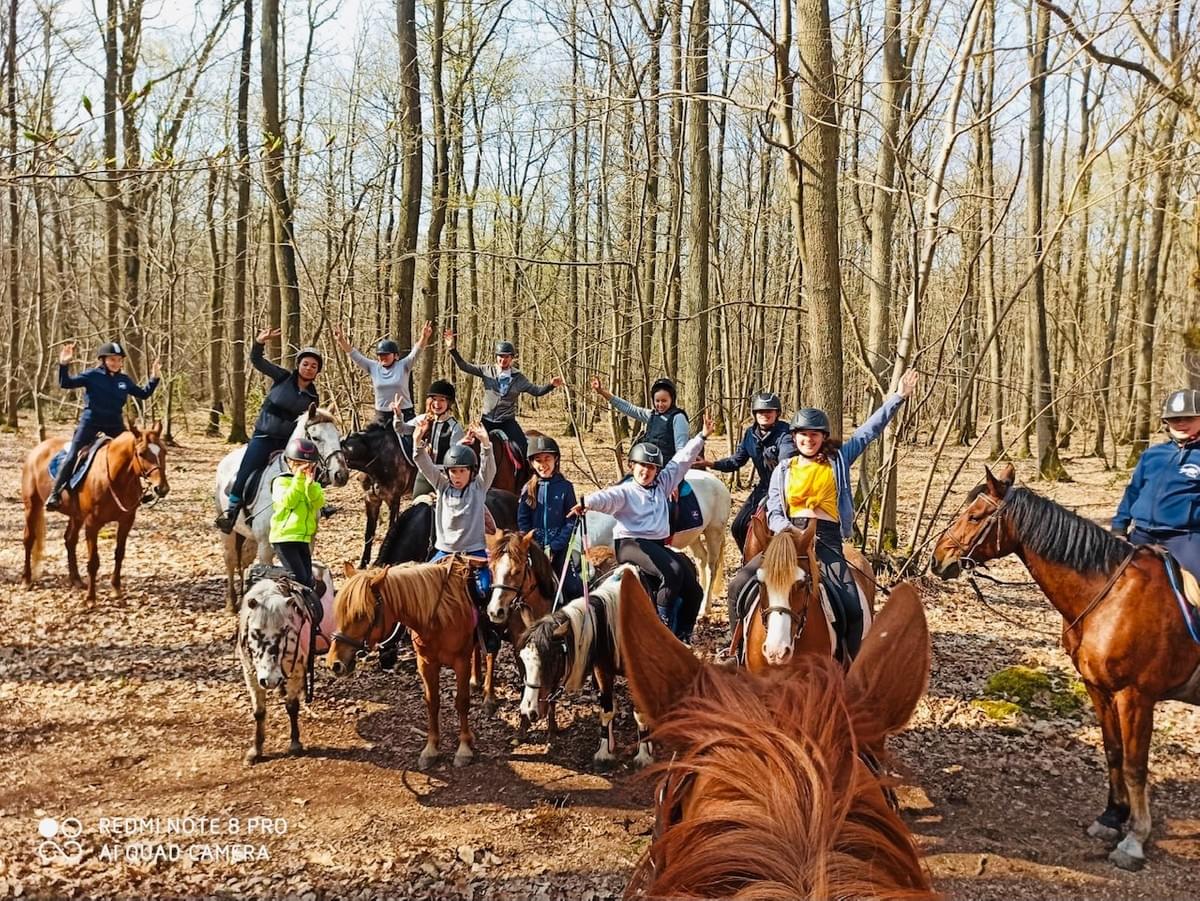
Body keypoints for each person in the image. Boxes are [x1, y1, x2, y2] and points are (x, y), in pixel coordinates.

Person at [726, 369, 920, 661]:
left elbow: (870, 430)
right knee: (739, 583)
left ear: (823, 437)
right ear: (794, 437)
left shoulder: (838, 459)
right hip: (788, 540)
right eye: (802, 434)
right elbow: (776, 510)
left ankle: (853, 664)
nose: (808, 439)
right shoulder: (785, 469)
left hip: (826, 539)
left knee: (853, 605)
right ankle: (736, 652)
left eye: (814, 435)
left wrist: (898, 397)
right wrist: (789, 531)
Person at [572, 415, 715, 643]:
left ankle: (683, 636)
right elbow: (607, 497)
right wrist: (586, 502)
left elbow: (682, 460)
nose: (646, 472)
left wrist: (702, 436)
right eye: (642, 466)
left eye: (651, 467)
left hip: (656, 544)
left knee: (694, 590)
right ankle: (661, 629)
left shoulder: (663, 483)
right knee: (672, 572)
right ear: (632, 466)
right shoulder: (627, 491)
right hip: (631, 543)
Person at [215, 328, 323, 533]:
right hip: (264, 437)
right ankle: (231, 511)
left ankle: (318, 506)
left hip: (289, 444)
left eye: (314, 366)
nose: (309, 368)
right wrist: (259, 342)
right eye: (305, 364)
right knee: (247, 468)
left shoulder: (313, 397)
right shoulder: (282, 377)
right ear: (298, 365)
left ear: (317, 372)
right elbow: (257, 360)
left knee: (309, 469)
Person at [47, 340, 161, 511]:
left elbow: (144, 394)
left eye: (119, 360)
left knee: (134, 452)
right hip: (91, 421)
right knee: (73, 453)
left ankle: (138, 491)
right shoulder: (92, 376)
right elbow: (66, 383)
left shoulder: (124, 380)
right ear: (103, 360)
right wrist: (64, 364)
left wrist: (155, 377)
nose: (116, 363)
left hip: (114, 423)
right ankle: (56, 493)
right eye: (112, 360)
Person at [1112, 388, 1200, 579]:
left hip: (1184, 537)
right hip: (1142, 534)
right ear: (1166, 423)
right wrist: (1119, 528)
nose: (1181, 423)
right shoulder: (1152, 455)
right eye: (1175, 419)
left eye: (1189, 418)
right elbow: (1133, 492)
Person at [444, 330, 563, 461]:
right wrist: (452, 349)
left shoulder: (519, 378)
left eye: (507, 356)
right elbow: (463, 366)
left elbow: (536, 391)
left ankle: (524, 476)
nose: (503, 359)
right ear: (496, 356)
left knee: (522, 445)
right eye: (500, 356)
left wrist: (551, 385)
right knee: (470, 446)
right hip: (487, 420)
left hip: (507, 421)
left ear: (512, 358)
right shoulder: (487, 370)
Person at [702, 391, 795, 552]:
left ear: (777, 413)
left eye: (769, 411)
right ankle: (747, 561)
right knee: (737, 527)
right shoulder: (750, 435)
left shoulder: (785, 433)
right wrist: (711, 463)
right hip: (763, 487)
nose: (764, 415)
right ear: (754, 414)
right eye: (760, 412)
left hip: (786, 488)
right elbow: (737, 460)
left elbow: (786, 460)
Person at [414, 420, 497, 569]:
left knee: (485, 588)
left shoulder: (478, 487)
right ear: (447, 472)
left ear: (471, 471)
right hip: (445, 551)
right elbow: (425, 465)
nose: (457, 476)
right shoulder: (442, 485)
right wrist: (417, 441)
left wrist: (485, 443)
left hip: (474, 551)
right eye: (453, 471)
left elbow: (489, 468)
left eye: (462, 471)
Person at [517, 435, 582, 599]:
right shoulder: (527, 489)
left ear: (556, 459)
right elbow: (523, 520)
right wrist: (533, 543)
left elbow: (571, 520)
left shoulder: (566, 487)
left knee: (572, 587)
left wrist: (556, 545)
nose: (543, 464)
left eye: (547, 458)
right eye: (538, 460)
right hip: (535, 548)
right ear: (532, 463)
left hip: (559, 548)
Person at [333, 321, 433, 426]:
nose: (383, 357)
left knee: (407, 441)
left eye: (386, 354)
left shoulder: (404, 365)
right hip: (382, 416)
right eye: (380, 355)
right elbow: (354, 355)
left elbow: (417, 351)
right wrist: (341, 340)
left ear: (395, 355)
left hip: (404, 413)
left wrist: (424, 337)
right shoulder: (373, 367)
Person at [392, 379, 465, 498]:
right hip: (424, 473)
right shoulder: (423, 419)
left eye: (442, 400)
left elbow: (456, 458)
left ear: (449, 403)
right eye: (434, 399)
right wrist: (398, 415)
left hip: (444, 476)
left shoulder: (455, 427)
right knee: (416, 507)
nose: (437, 404)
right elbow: (401, 429)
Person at [269, 437, 325, 589]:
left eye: (309, 466)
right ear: (289, 463)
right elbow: (289, 502)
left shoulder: (314, 485)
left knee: (308, 578)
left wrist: (310, 486)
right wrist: (299, 481)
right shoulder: (281, 482)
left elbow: (318, 503)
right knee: (299, 578)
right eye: (298, 465)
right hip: (284, 537)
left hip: (303, 538)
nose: (304, 469)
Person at [591, 375, 688, 460]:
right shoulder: (652, 415)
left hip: (668, 472)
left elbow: (681, 451)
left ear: (672, 399)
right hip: (649, 469)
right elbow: (630, 408)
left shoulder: (678, 418)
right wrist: (601, 392)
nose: (660, 404)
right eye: (657, 401)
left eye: (664, 401)